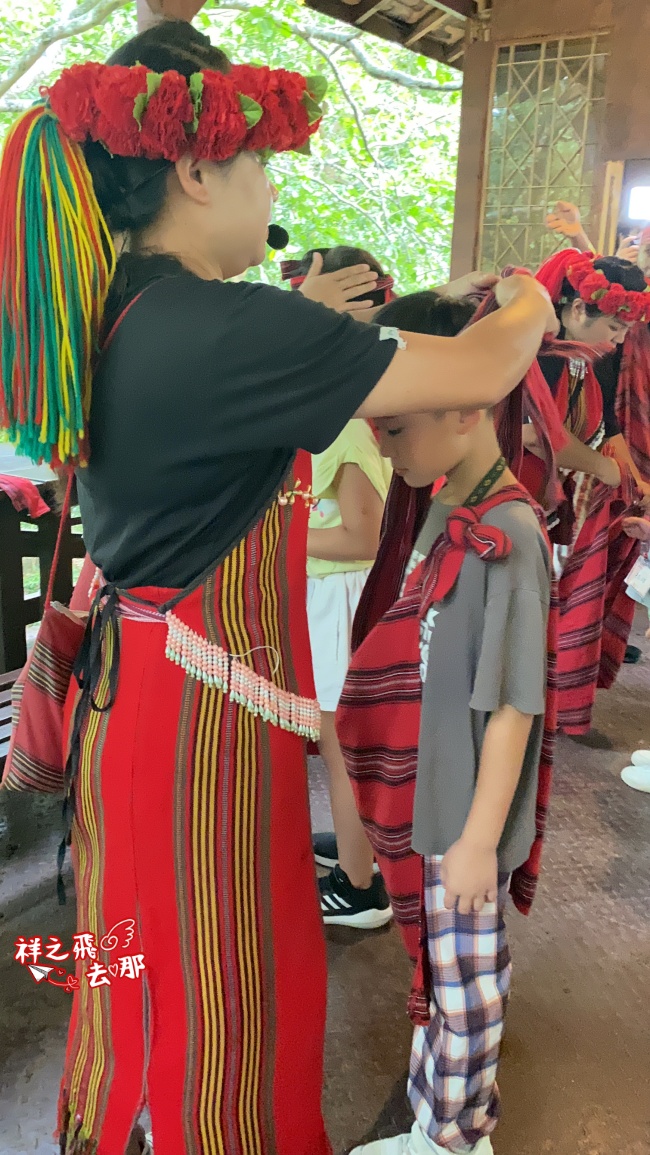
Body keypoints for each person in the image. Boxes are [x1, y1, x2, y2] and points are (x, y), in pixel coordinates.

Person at [0, 20, 555, 1155]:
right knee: (222, 993)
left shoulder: (132, 314)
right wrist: (538, 294)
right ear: (198, 169)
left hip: (146, 706)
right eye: (259, 166)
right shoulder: (227, 327)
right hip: (192, 727)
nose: (268, 191)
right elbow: (491, 366)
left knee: (148, 963)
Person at [337, 290, 555, 1155]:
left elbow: (513, 701)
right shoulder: (444, 505)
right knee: (439, 970)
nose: (384, 446)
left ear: (470, 405)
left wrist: (474, 839)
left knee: (467, 987)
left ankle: (457, 1139)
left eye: (394, 427)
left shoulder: (510, 531)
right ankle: (436, 1119)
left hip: (465, 813)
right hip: (436, 797)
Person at [523, 250, 650, 735]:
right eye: (615, 328)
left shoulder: (588, 355)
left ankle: (539, 702)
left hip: (547, 496)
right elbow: (535, 432)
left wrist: (630, 475)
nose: (620, 342)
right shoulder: (541, 351)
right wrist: (603, 468)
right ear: (578, 311)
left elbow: (608, 425)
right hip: (510, 493)